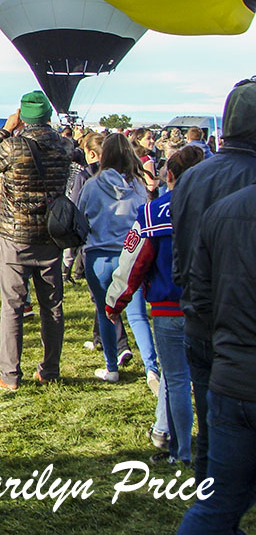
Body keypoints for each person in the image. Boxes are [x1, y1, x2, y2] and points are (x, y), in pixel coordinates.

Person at [173, 76, 256, 481]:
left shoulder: (192, 176)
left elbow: (180, 243)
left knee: (209, 424)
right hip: (242, 329)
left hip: (197, 316)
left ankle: (209, 492)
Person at [105, 145, 205, 467]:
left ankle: (180, 450)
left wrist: (115, 301)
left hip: (167, 308)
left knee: (175, 381)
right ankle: (211, 447)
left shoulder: (152, 212)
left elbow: (133, 261)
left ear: (170, 176)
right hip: (208, 308)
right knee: (206, 379)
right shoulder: (218, 208)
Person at [175, 182, 256, 534]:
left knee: (219, 501)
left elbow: (197, 294)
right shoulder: (224, 210)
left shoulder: (222, 210)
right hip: (232, 370)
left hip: (230, 373)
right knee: (219, 502)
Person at [0, 91, 72, 390]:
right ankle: (50, 369)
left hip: (15, 235)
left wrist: (5, 129)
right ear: (48, 116)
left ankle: (10, 375)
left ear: (24, 117)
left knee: (13, 306)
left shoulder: (14, 146)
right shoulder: (64, 144)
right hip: (51, 234)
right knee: (52, 306)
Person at [79, 134, 154, 386]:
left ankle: (112, 367)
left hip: (99, 256)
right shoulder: (139, 187)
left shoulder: (92, 184)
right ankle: (152, 368)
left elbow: (80, 217)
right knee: (137, 315)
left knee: (105, 313)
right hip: (130, 256)